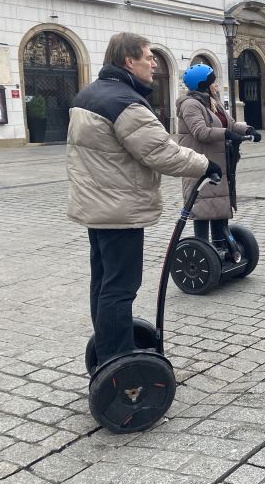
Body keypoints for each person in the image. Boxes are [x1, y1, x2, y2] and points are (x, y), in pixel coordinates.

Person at [67, 32, 216, 366]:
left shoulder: (88, 95)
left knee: (104, 283)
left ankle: (109, 351)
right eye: (148, 57)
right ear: (128, 61)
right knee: (120, 289)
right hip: (119, 209)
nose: (153, 63)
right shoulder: (125, 102)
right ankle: (119, 361)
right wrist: (205, 164)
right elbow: (161, 153)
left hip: (98, 206)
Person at [176, 63, 261, 254]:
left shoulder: (213, 102)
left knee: (218, 207)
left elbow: (230, 124)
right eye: (213, 82)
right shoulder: (190, 105)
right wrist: (228, 135)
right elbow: (201, 132)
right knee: (203, 209)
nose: (216, 85)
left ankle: (221, 248)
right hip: (201, 165)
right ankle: (203, 252)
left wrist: (248, 130)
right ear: (203, 85)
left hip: (220, 163)